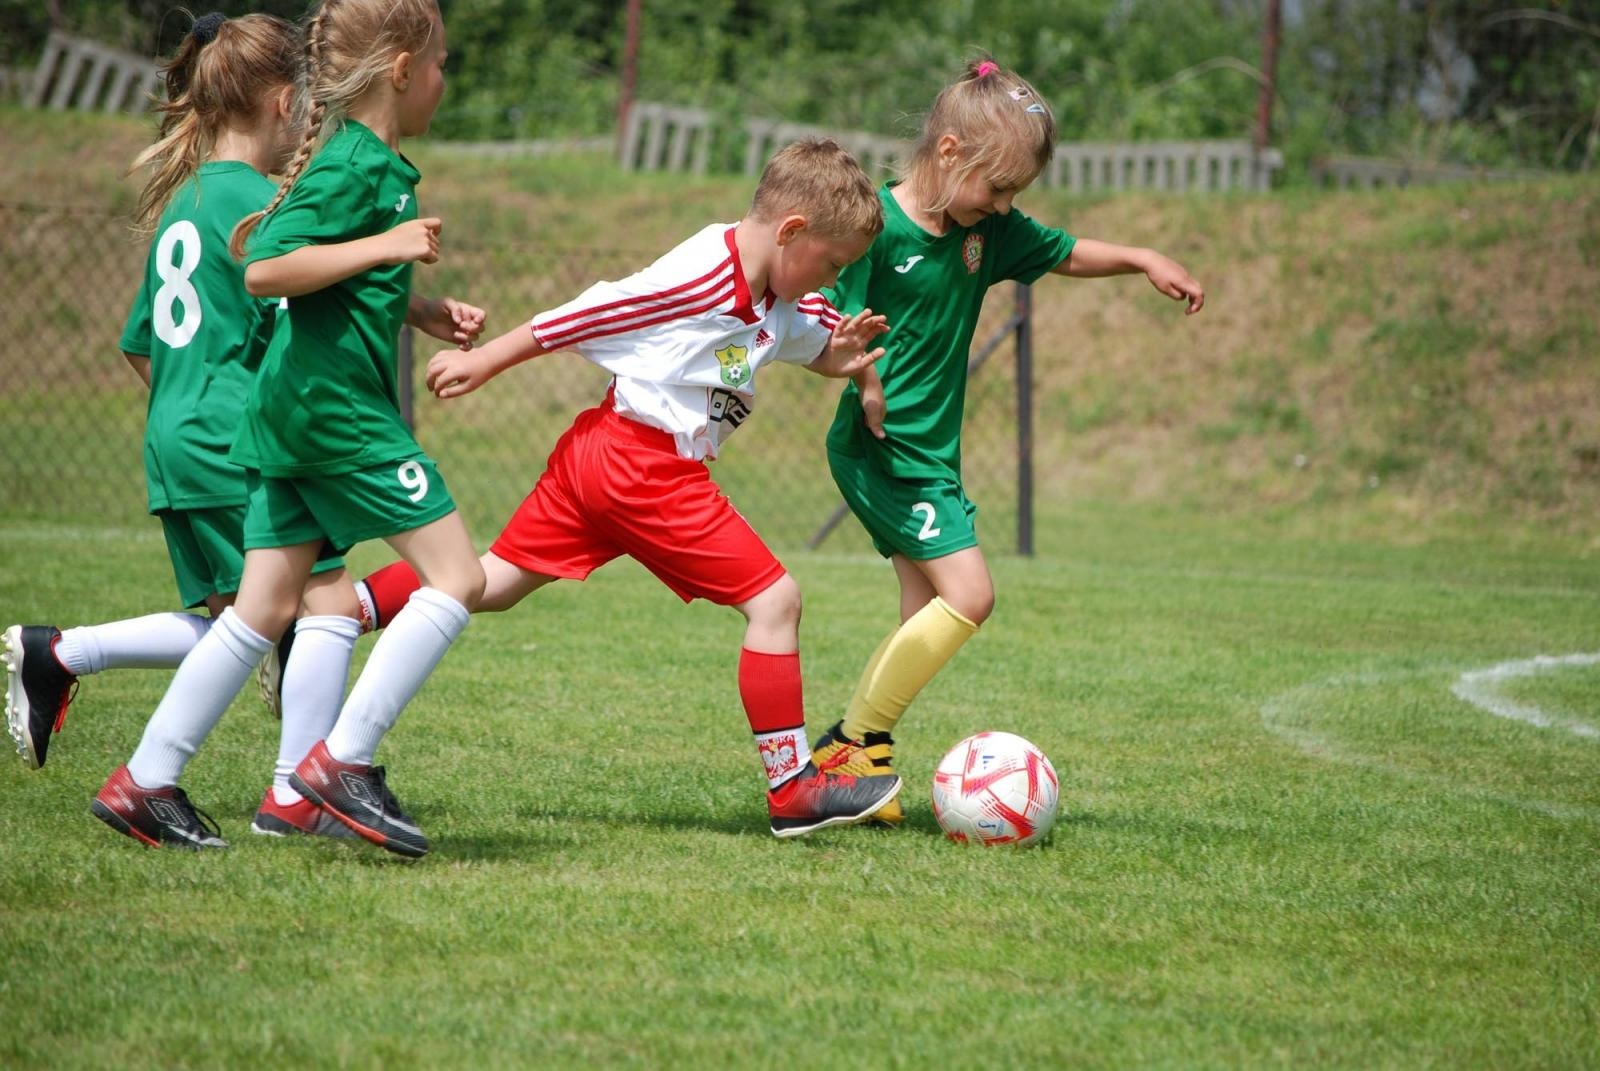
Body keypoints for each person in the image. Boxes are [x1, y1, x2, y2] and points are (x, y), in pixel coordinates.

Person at [364, 138, 904, 838]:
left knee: (482, 583)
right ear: (792, 231)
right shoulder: (700, 278)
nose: (832, 279)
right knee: (776, 601)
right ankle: (793, 789)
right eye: (832, 264)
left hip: (603, 452)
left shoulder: (774, 290)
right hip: (643, 467)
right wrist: (488, 359)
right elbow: (592, 311)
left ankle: (331, 614)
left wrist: (857, 369)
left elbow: (815, 338)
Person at [91, 0, 486, 859]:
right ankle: (341, 763)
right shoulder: (357, 162)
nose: (444, 79)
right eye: (441, 63)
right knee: (458, 577)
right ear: (400, 70)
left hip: (289, 412)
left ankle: (145, 780)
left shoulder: (361, 160)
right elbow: (267, 269)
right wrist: (386, 247)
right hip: (333, 411)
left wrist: (417, 308)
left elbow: (324, 277)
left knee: (266, 606)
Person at [809, 58, 1206, 824]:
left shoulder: (984, 231)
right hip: (885, 446)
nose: (1004, 206)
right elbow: (833, 324)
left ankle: (865, 754)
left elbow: (1064, 251)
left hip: (930, 453)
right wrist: (862, 375)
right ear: (949, 151)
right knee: (971, 595)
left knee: (923, 607)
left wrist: (1142, 259)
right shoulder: (874, 228)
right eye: (997, 188)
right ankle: (848, 744)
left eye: (1014, 194)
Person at [2, 12, 348, 773]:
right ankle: (302, 789)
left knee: (243, 625)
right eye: (309, 108)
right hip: (234, 446)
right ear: (283, 103)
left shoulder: (186, 202)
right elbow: (299, 312)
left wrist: (187, 410)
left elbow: (140, 344)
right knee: (324, 607)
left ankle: (56, 655)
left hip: (179, 442)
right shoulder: (261, 204)